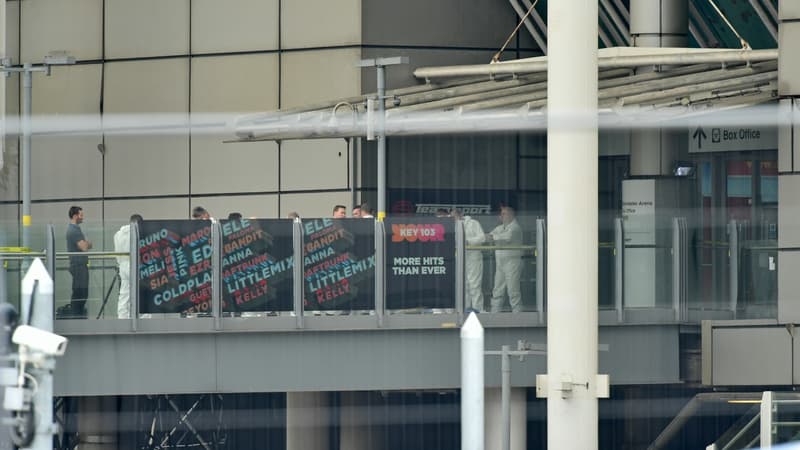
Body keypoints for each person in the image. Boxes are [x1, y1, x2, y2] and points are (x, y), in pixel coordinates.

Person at [486, 206, 523, 313]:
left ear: (511, 215)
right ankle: (494, 314)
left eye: (504, 214)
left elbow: (507, 237)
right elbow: (489, 236)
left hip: (512, 263)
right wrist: (492, 236)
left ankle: (518, 316)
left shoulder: (515, 227)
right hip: (500, 263)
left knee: (513, 291)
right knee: (497, 290)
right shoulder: (500, 227)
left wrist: (494, 237)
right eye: (501, 214)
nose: (501, 216)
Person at [451, 209, 486, 312]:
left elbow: (482, 237)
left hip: (474, 257)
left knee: (474, 285)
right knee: (464, 285)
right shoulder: (453, 226)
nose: (453, 219)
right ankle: (466, 309)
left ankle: (478, 310)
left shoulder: (473, 223)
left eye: (454, 216)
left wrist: (467, 241)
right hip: (461, 258)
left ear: (460, 215)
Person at [114, 214, 143, 319]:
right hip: (135, 264)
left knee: (124, 294)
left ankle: (122, 318)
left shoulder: (118, 234)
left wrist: (120, 263)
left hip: (123, 265)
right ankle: (144, 319)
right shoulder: (138, 233)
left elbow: (117, 252)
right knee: (142, 293)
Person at [66, 206, 92, 318]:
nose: (82, 217)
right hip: (78, 265)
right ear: (75, 216)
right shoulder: (74, 230)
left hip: (79, 265)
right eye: (81, 215)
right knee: (80, 293)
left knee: (81, 292)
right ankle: (76, 315)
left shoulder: (75, 229)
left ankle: (77, 314)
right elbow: (84, 247)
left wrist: (86, 243)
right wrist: (88, 243)